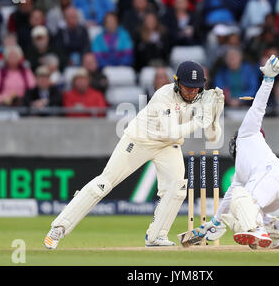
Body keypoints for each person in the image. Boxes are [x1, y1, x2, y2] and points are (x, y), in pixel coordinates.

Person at [44, 61, 225, 249]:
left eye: (196, 88)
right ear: (177, 83)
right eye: (188, 87)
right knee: (103, 184)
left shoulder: (202, 98)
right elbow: (172, 131)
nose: (192, 93)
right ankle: (59, 227)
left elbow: (213, 138)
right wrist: (199, 120)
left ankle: (156, 236)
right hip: (139, 141)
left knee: (177, 188)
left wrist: (214, 117)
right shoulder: (164, 95)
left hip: (167, 146)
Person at [190, 55, 279, 249]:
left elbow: (258, 108)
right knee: (239, 203)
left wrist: (268, 81)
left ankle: (256, 230)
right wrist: (215, 222)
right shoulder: (242, 169)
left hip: (269, 179)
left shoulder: (248, 133)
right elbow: (228, 198)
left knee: (242, 201)